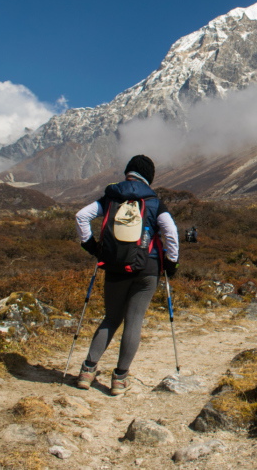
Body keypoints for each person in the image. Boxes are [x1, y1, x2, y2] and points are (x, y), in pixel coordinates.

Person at [74, 155, 179, 395]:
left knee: (111, 318)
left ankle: (87, 371)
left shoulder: (110, 197)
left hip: (114, 266)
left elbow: (81, 216)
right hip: (148, 268)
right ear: (149, 177)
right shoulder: (154, 201)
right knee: (134, 321)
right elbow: (170, 232)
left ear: (127, 172)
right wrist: (171, 264)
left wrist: (91, 246)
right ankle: (119, 379)